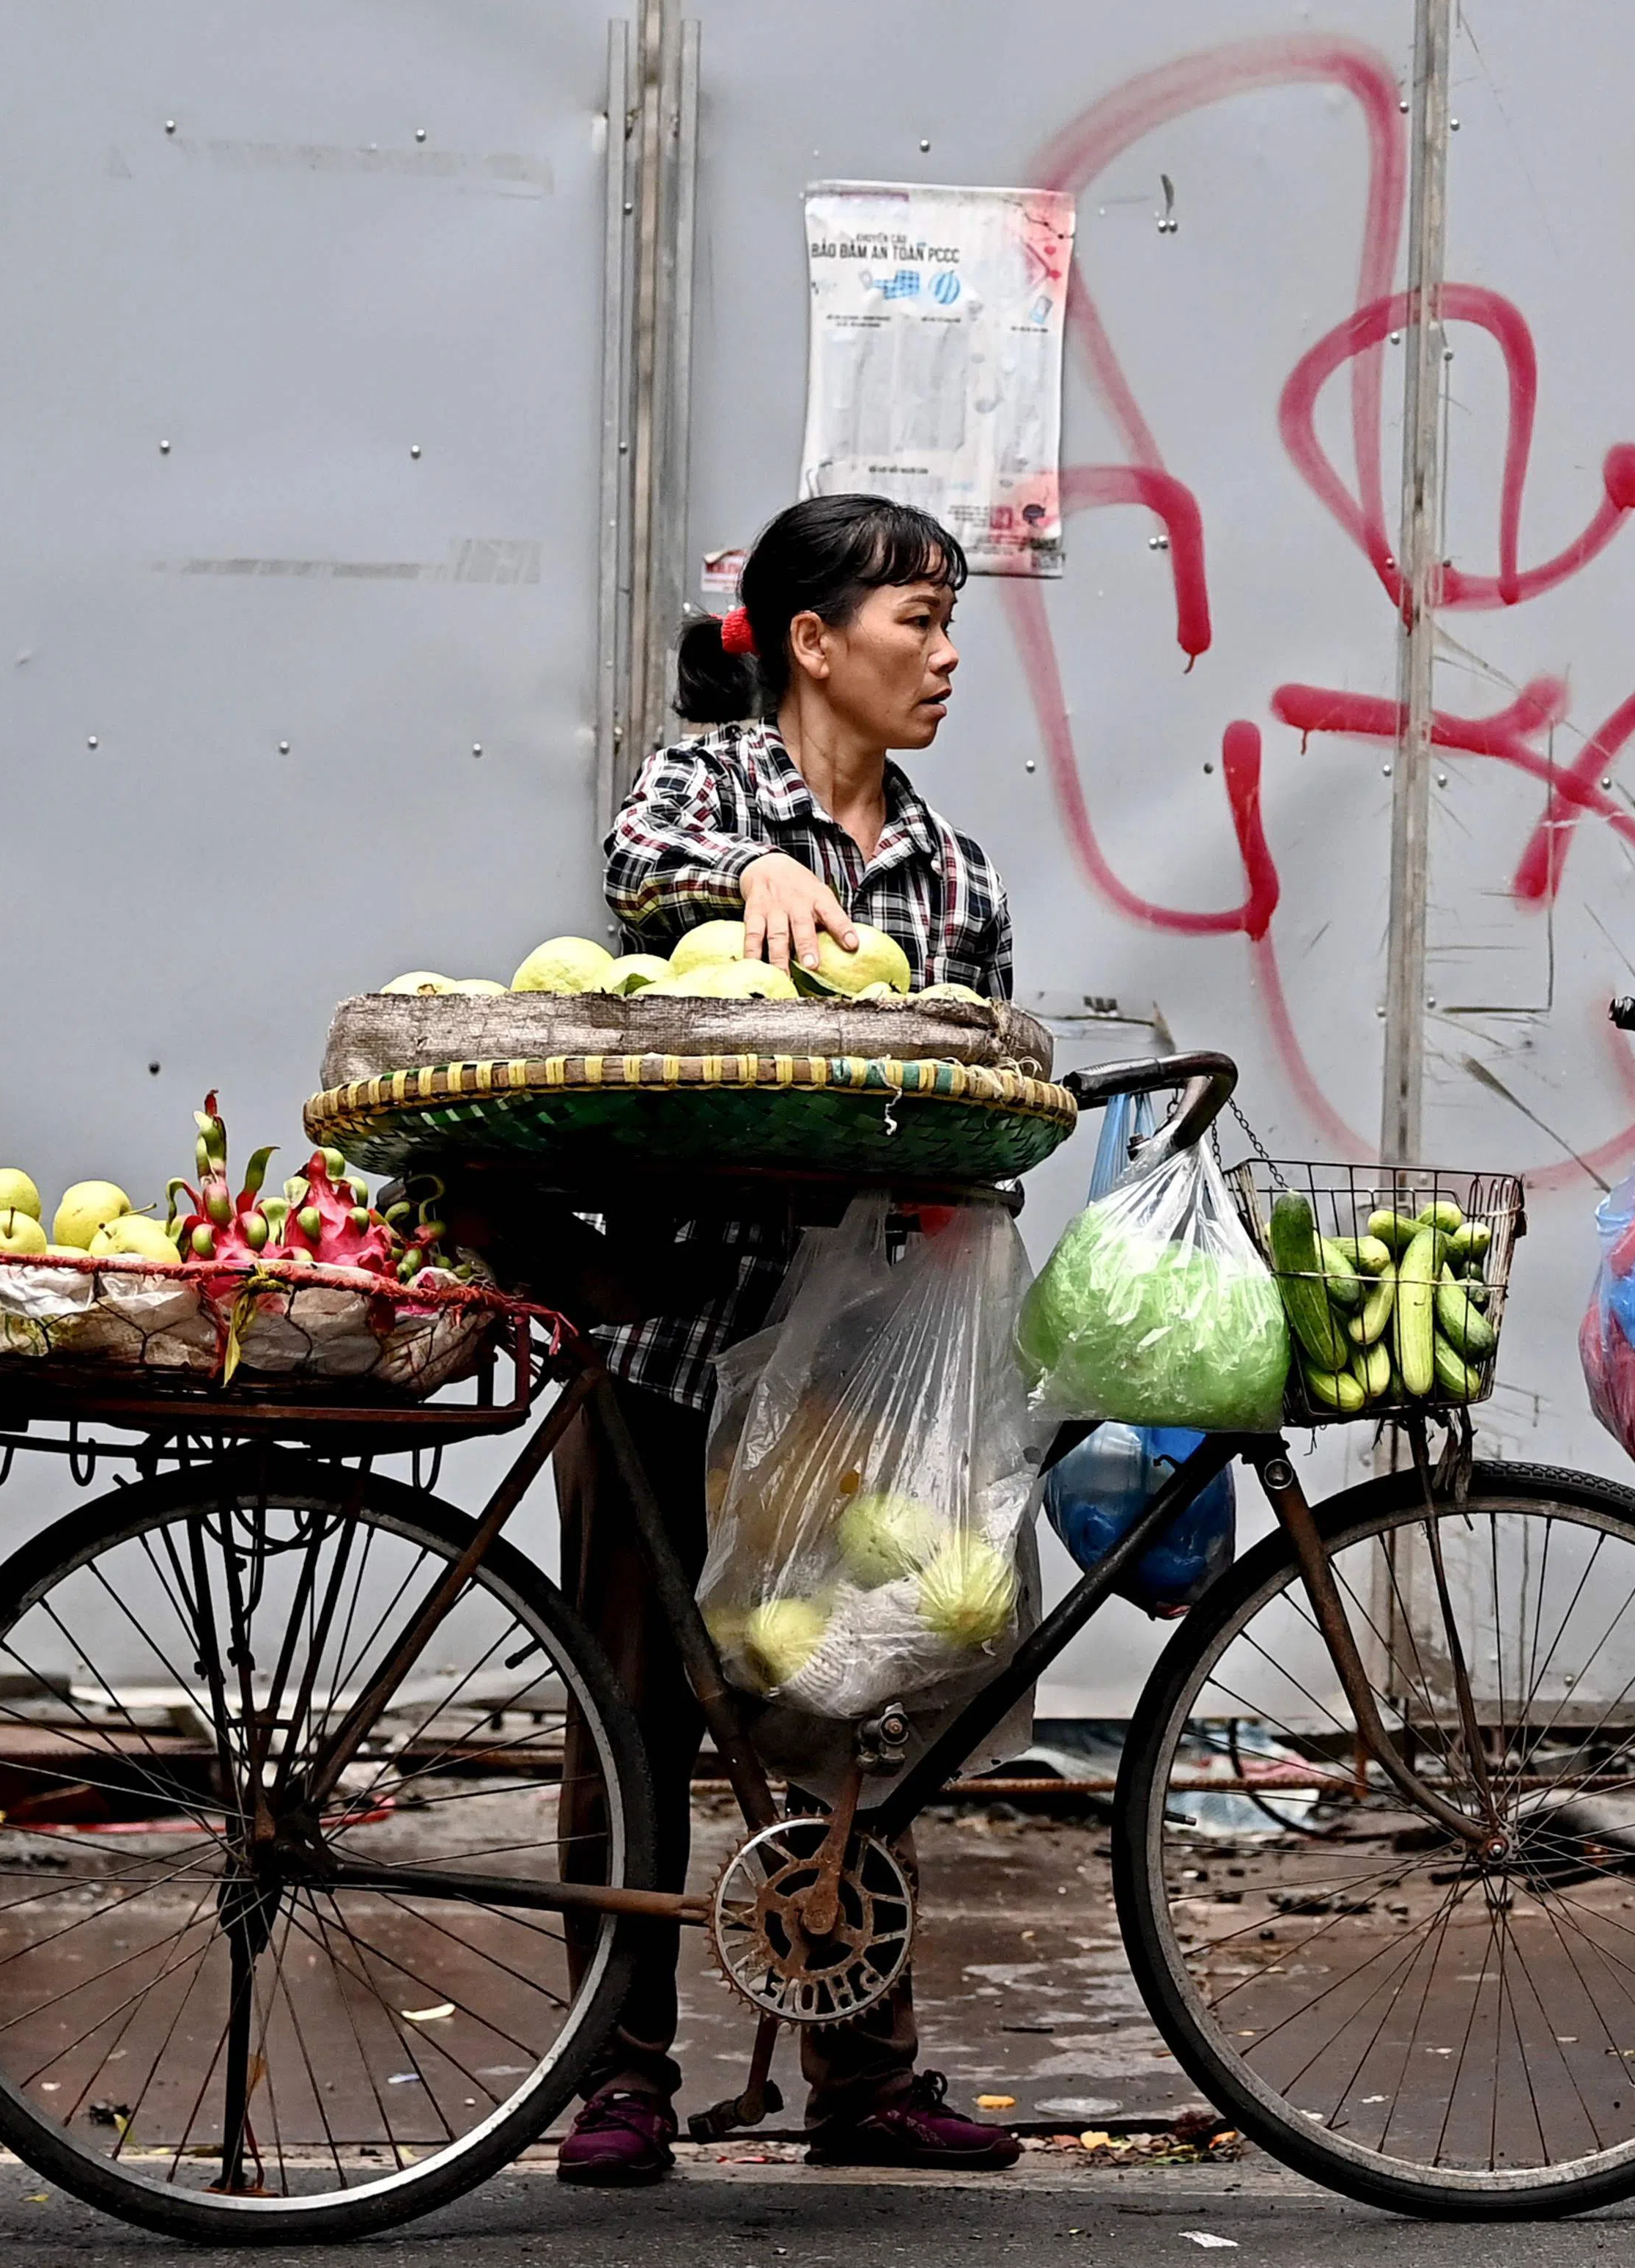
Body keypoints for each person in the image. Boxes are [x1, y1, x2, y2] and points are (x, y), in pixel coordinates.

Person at [553, 493, 1023, 2184]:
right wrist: (746, 868)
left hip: (837, 1379)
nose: (949, 653)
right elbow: (633, 869)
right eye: (917, 620)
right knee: (628, 1712)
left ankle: (862, 2072)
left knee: (826, 1705)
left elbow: (980, 1091)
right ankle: (612, 2076)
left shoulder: (954, 871)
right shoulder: (705, 790)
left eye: (954, 619)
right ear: (814, 642)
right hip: (671, 1338)